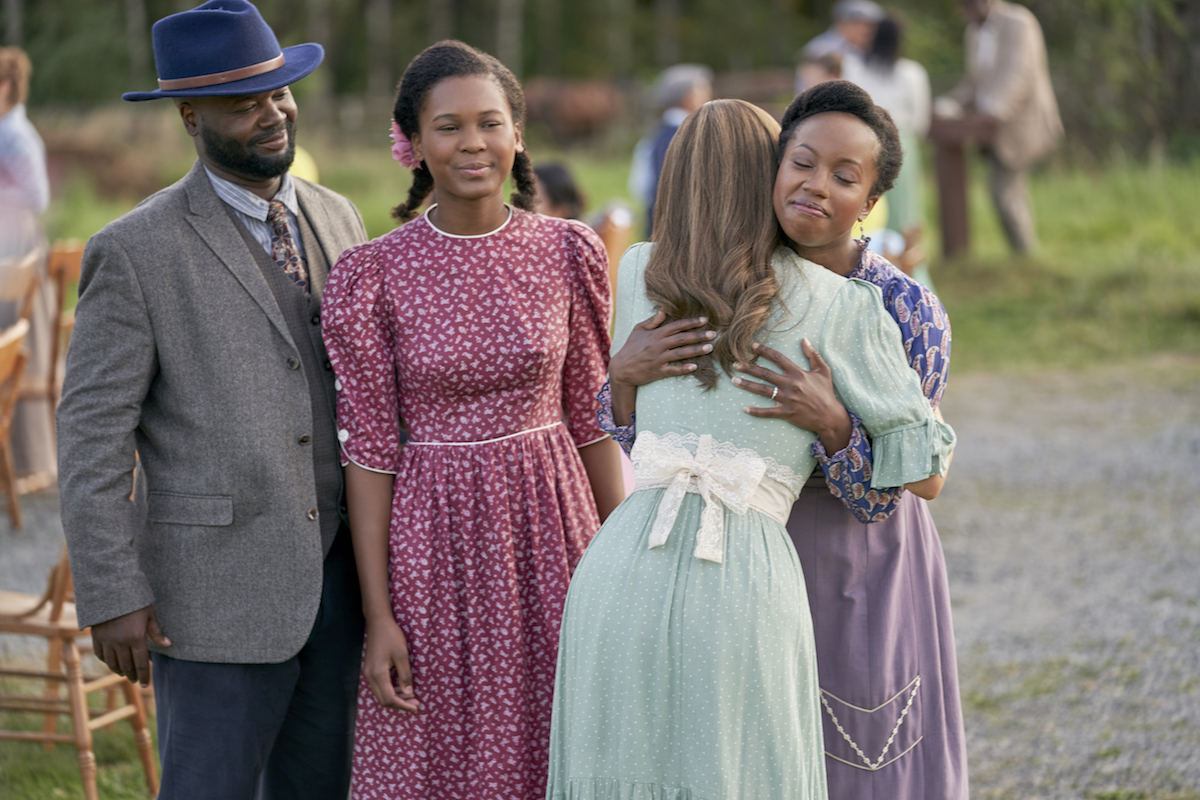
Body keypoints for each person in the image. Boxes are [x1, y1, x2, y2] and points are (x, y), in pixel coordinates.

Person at [547, 97, 955, 800]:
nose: (815, 184)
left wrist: (835, 423)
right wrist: (621, 375)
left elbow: (912, 478)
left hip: (834, 552)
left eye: (842, 175)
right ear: (768, 172)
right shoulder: (656, 276)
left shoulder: (886, 303)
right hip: (697, 565)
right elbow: (640, 431)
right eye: (799, 162)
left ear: (871, 199)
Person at [55, 2, 368, 797]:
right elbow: (92, 434)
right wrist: (112, 592)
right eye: (245, 103)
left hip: (344, 587)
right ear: (191, 116)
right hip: (211, 597)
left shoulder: (338, 217)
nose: (273, 114)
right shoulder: (133, 250)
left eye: (280, 93)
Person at [321, 40, 624, 800]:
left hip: (554, 529)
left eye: (489, 122)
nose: (472, 143)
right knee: (439, 754)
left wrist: (627, 572)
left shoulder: (568, 252)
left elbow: (592, 420)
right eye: (448, 126)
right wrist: (379, 614)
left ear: (518, 132)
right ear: (413, 143)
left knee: (565, 738)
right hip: (433, 546)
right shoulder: (373, 274)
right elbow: (370, 454)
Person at [937, 0, 1062, 254]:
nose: (965, 13)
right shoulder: (973, 32)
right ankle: (1023, 256)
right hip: (992, 128)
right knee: (1005, 191)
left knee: (1003, 192)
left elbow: (1020, 74)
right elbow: (975, 82)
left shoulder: (1019, 22)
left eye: (968, 6)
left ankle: (1025, 255)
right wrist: (950, 103)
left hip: (1022, 123)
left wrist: (992, 111)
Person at [0, 46, 56, 481]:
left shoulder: (14, 134)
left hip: (14, 244)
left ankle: (26, 462)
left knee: (19, 349)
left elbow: (36, 197)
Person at [844, 15, 932, 282]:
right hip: (902, 142)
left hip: (865, 142)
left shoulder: (855, 67)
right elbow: (921, 119)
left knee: (869, 206)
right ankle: (911, 272)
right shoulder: (911, 72)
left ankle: (868, 270)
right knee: (905, 210)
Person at [627, 63, 713, 237]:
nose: (709, 95)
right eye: (702, 90)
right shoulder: (688, 134)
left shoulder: (656, 134)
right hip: (682, 232)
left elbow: (640, 187)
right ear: (687, 96)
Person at [801, 0, 885, 62]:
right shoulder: (820, 50)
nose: (866, 30)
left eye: (871, 25)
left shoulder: (870, 49)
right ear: (841, 23)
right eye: (858, 23)